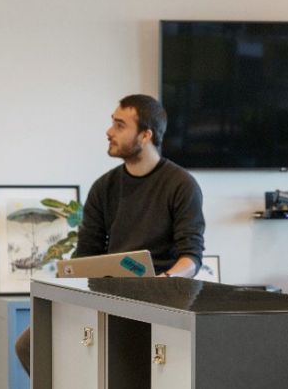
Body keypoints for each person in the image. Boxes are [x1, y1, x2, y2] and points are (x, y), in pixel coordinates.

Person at [14, 94, 205, 373]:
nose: (109, 132)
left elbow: (191, 257)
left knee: (118, 360)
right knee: (28, 345)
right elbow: (86, 254)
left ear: (145, 135)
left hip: (160, 299)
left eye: (119, 125)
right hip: (107, 294)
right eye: (111, 124)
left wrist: (163, 281)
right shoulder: (104, 187)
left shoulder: (181, 184)